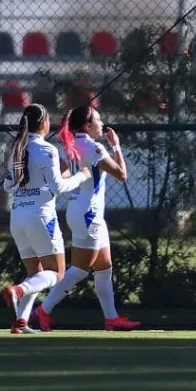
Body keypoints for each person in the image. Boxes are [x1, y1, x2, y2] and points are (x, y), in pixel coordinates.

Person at [33, 106, 140, 332]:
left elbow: (62, 174)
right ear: (87, 126)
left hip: (79, 209)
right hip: (88, 213)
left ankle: (111, 318)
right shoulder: (94, 147)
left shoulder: (70, 146)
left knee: (104, 267)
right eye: (98, 120)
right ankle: (44, 310)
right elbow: (122, 175)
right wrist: (116, 146)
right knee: (80, 270)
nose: (102, 124)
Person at [2, 103, 90, 334]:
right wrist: (81, 175)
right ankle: (18, 291)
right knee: (56, 273)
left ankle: (20, 321)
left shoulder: (15, 149)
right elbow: (58, 187)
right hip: (40, 216)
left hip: (18, 215)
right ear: (43, 123)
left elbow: (8, 185)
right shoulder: (47, 149)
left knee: (36, 272)